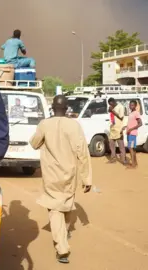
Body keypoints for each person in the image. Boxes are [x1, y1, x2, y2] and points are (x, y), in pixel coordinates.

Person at [30, 95, 92, 264]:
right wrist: (87, 178)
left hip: (51, 174)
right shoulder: (74, 125)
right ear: (67, 109)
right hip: (70, 173)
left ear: (52, 108)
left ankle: (62, 248)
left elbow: (34, 143)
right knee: (66, 202)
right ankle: (63, 232)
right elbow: (83, 153)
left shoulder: (44, 124)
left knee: (55, 209)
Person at [107, 98, 126, 164]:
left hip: (119, 129)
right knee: (111, 145)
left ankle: (123, 160)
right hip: (112, 129)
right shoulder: (113, 107)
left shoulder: (120, 107)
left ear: (113, 102)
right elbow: (110, 113)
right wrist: (110, 110)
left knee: (121, 146)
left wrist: (112, 111)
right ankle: (113, 159)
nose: (110, 105)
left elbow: (121, 117)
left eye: (110, 103)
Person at [124, 100, 142, 168]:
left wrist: (131, 129)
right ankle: (135, 163)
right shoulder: (131, 113)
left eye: (132, 105)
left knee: (130, 148)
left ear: (135, 106)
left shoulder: (136, 113)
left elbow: (140, 123)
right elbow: (131, 123)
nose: (130, 106)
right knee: (133, 148)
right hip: (129, 133)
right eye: (130, 105)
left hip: (132, 134)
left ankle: (133, 164)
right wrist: (125, 127)